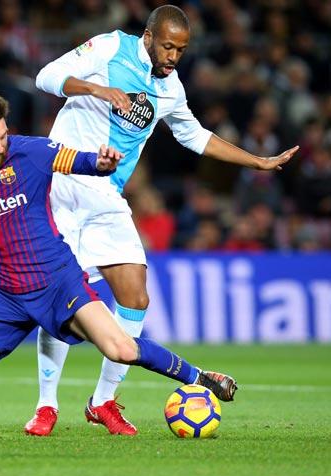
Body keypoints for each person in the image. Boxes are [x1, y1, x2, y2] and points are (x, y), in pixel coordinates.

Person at [0, 90, 236, 439]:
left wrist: (102, 164)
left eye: (3, 136)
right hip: (1, 293)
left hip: (58, 281)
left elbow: (81, 161)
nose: (0, 146)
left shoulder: (31, 152)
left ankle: (201, 377)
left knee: (120, 348)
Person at [23, 4, 298, 437]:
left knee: (135, 298)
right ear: (148, 37)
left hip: (106, 195)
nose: (173, 56)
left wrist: (257, 162)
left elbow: (195, 134)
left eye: (181, 50)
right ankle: (46, 405)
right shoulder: (112, 47)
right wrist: (98, 91)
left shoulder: (171, 88)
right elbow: (45, 77)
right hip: (62, 181)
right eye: (167, 46)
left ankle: (103, 401)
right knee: (63, 298)